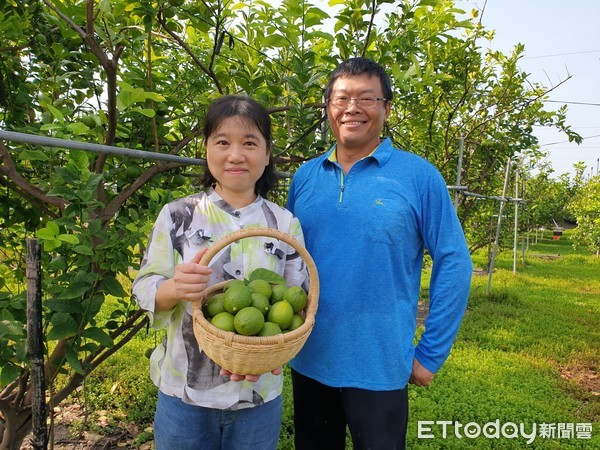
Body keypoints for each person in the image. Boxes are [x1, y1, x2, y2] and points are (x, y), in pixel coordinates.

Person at [286, 57, 473, 450]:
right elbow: (289, 258)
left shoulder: (418, 176)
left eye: (367, 98)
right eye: (341, 99)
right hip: (308, 357)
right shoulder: (305, 176)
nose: (352, 108)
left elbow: (454, 260)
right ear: (328, 109)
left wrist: (431, 351)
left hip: (380, 363)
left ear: (386, 108)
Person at [132, 95, 308, 450]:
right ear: (207, 148)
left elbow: (296, 304)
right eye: (223, 142)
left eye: (250, 143)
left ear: (268, 152)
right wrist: (175, 287)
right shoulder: (179, 215)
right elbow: (144, 288)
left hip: (259, 394)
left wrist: (276, 352)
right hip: (185, 394)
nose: (236, 155)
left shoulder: (285, 223)